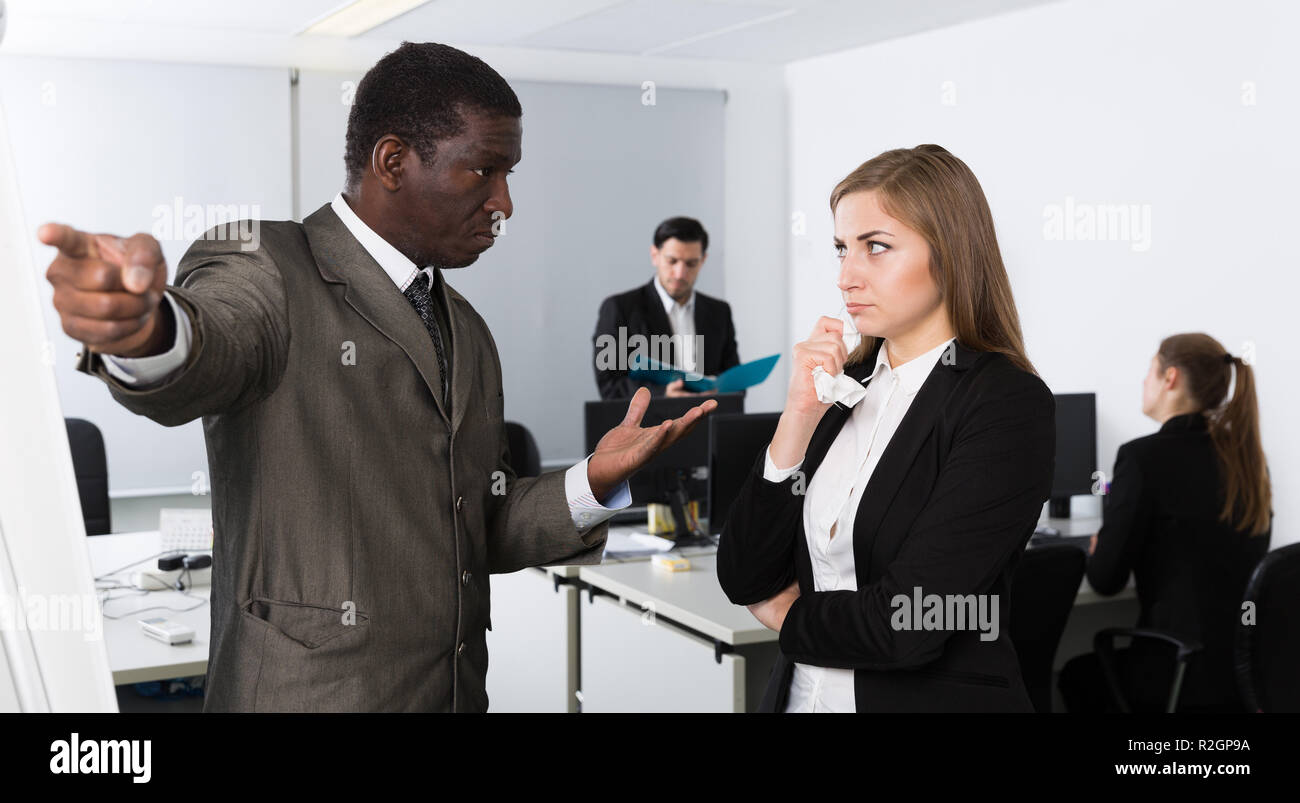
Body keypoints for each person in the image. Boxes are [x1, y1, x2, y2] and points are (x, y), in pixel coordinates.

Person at [39, 42, 715, 712]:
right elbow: (208, 340)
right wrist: (143, 329)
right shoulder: (267, 265)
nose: (504, 202)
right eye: (484, 171)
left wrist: (591, 482)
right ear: (393, 161)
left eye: (509, 174)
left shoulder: (468, 329)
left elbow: (473, 524)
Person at [716, 144, 1055, 712]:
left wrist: (788, 615)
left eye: (876, 248)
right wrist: (798, 417)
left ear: (950, 254)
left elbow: (911, 620)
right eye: (841, 249)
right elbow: (743, 571)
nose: (847, 276)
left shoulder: (1005, 403)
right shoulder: (845, 385)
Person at [1058, 334, 1272, 712]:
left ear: (1169, 377)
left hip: (1176, 671)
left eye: (1149, 370)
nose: (1144, 382)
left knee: (1074, 675)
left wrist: (1098, 546)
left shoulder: (1142, 459)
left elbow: (1106, 581)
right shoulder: (1247, 461)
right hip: (1243, 676)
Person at [592, 216, 740, 399]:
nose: (680, 273)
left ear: (703, 261)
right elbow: (609, 385)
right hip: (650, 423)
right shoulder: (620, 309)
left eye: (691, 263)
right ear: (655, 255)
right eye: (672, 261)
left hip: (708, 421)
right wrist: (663, 394)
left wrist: (719, 390)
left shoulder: (719, 312)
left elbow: (735, 384)